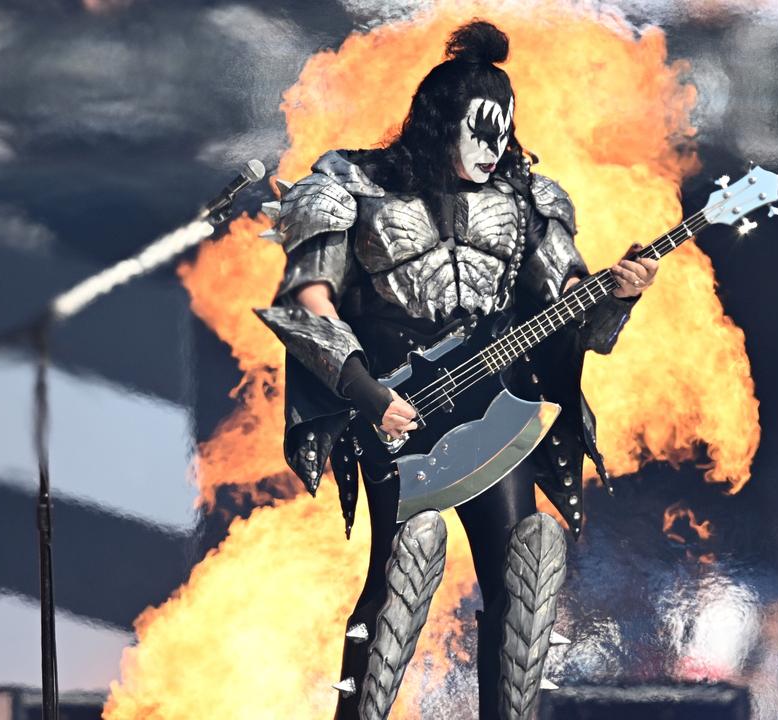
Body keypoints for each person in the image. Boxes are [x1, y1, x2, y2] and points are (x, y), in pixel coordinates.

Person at [256, 20, 658, 720]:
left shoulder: (528, 201)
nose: (494, 145)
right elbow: (307, 302)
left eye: (503, 129)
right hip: (393, 406)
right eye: (479, 127)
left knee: (528, 567)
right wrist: (367, 394)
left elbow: (569, 309)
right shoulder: (350, 186)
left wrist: (618, 298)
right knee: (405, 566)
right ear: (441, 123)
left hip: (494, 415)